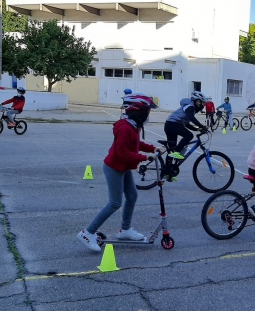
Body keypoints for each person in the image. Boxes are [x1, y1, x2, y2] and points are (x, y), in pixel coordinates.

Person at [77, 94, 163, 251]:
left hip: (122, 167)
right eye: (147, 112)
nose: (148, 116)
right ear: (139, 112)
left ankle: (125, 230)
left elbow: (137, 144)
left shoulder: (132, 126)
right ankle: (87, 233)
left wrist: (152, 148)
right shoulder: (125, 128)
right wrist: (145, 157)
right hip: (114, 168)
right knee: (115, 203)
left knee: (132, 196)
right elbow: (122, 153)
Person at [164, 91, 208, 160]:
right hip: (173, 124)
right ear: (197, 101)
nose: (203, 105)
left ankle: (167, 169)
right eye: (202, 102)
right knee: (189, 135)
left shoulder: (190, 109)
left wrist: (197, 129)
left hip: (169, 125)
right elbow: (191, 118)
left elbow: (186, 124)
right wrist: (201, 126)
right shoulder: (190, 106)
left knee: (171, 152)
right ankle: (177, 151)